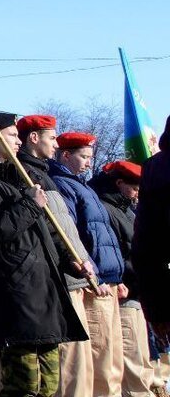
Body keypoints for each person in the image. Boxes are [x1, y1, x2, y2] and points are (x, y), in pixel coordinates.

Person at [0, 112, 87, 397]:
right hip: (15, 297)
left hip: (43, 294)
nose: (18, 141)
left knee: (50, 384)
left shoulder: (20, 179)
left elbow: (41, 235)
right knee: (24, 384)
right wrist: (30, 205)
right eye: (12, 135)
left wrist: (70, 262)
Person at [15, 115, 98, 397]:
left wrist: (82, 262)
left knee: (82, 363)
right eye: (52, 138)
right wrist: (69, 262)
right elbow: (47, 229)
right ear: (34, 138)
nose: (55, 143)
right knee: (69, 364)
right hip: (57, 277)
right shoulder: (23, 172)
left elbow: (64, 228)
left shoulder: (44, 174)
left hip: (73, 270)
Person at [49, 131, 126, 396]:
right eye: (83, 156)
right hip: (93, 283)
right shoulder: (62, 184)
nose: (88, 163)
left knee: (112, 356)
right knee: (99, 358)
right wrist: (95, 274)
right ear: (66, 155)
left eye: (90, 157)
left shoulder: (82, 185)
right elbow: (74, 235)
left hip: (106, 280)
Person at [90, 159, 158, 396]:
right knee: (132, 362)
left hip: (136, 293)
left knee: (142, 358)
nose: (137, 193)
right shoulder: (108, 209)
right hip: (125, 292)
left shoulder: (125, 209)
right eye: (134, 188)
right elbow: (120, 251)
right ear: (119, 183)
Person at [135, 118, 170, 395]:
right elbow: (148, 244)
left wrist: (155, 308)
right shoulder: (158, 170)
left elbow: (145, 245)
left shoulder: (155, 168)